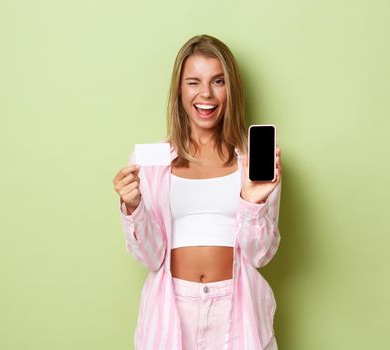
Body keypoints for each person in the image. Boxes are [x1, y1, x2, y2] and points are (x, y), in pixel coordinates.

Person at [113, 34, 282, 350]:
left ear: (231, 89)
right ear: (179, 89)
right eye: (194, 82)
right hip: (173, 309)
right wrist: (132, 207)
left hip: (237, 308)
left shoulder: (252, 163)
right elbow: (151, 257)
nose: (206, 94)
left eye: (218, 81)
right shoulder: (151, 163)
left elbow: (260, 256)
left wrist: (251, 203)